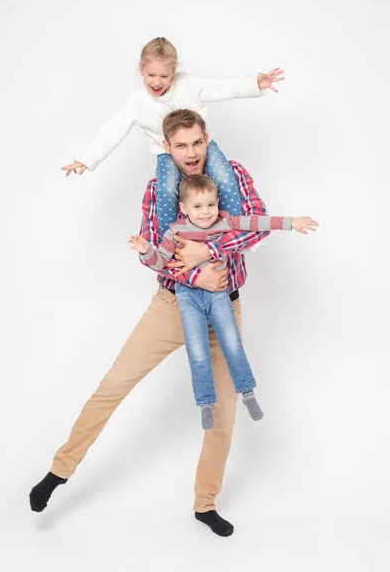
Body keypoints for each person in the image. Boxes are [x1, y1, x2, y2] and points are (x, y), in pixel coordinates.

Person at [30, 109, 273, 538]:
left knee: (224, 415)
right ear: (168, 147)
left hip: (224, 309)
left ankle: (204, 504)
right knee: (113, 385)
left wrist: (208, 252)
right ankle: (59, 471)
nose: (191, 153)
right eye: (181, 145)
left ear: (206, 139)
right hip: (172, 305)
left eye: (197, 142)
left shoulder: (231, 174)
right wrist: (196, 268)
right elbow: (155, 256)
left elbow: (257, 226)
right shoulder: (158, 191)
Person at [129, 174, 318, 429]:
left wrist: (291, 221)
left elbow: (257, 222)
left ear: (217, 203)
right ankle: (205, 402)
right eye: (198, 207)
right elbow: (162, 263)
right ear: (184, 209)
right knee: (197, 350)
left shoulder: (225, 222)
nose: (206, 213)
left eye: (211, 205)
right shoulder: (175, 230)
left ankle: (248, 393)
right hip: (187, 295)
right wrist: (146, 250)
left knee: (232, 343)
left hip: (219, 293)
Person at [61, 37, 284, 236]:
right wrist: (87, 159)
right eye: (151, 75)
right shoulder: (136, 102)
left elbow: (222, 88)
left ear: (174, 73)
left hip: (206, 145)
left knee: (224, 177)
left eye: (164, 76)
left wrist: (255, 83)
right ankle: (170, 241)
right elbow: (113, 129)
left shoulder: (189, 85)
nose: (157, 82)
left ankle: (234, 229)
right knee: (166, 188)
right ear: (141, 69)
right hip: (164, 153)